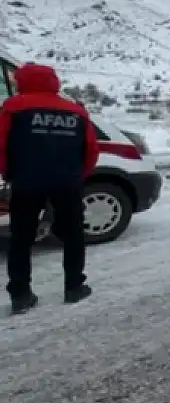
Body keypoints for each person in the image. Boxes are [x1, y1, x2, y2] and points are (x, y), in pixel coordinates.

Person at [0, 63, 98, 314]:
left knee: (21, 238)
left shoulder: (13, 107)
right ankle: (74, 286)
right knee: (74, 234)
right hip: (68, 181)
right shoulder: (75, 111)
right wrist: (79, 175)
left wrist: (8, 173)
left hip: (26, 181)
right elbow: (90, 149)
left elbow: (1, 144)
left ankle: (21, 293)